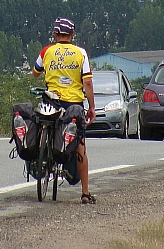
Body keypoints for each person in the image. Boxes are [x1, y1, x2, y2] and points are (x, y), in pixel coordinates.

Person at [32, 17, 96, 205]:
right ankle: (85, 193)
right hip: (73, 105)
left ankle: (42, 156)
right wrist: (91, 107)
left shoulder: (46, 51)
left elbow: (35, 72)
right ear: (72, 34)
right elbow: (87, 81)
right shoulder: (80, 53)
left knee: (43, 124)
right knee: (79, 146)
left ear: (55, 34)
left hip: (51, 102)